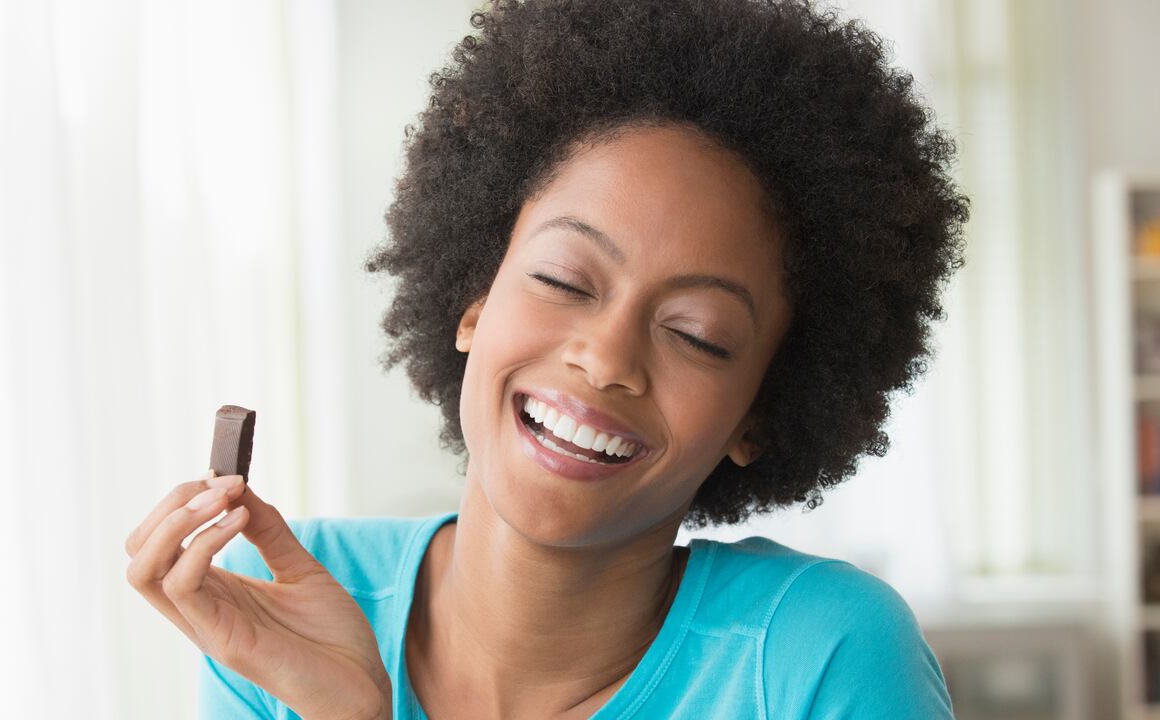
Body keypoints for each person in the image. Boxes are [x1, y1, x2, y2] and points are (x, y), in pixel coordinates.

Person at [125, 0, 969, 717]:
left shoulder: (819, 660)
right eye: (566, 279)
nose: (606, 358)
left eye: (697, 334)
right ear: (474, 301)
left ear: (758, 414)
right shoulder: (282, 606)